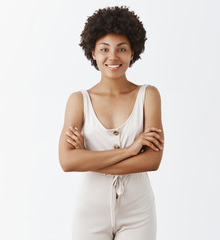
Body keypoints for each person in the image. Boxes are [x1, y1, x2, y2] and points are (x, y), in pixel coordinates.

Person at [58, 6, 164, 240]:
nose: (113, 57)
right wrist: (131, 150)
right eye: (104, 49)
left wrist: (86, 157)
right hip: (90, 212)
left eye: (121, 49)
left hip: (138, 211)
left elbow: (153, 160)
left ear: (132, 52)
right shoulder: (79, 101)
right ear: (93, 53)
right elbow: (66, 161)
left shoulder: (149, 96)